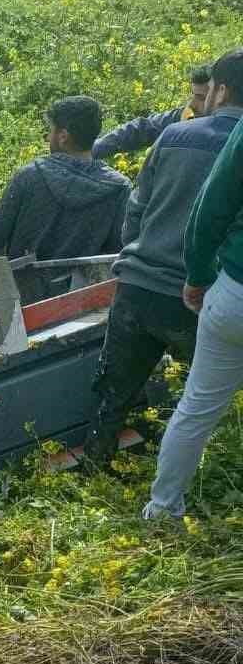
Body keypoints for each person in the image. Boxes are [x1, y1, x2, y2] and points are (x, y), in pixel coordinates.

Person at [85, 49, 243, 466]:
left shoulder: (173, 135)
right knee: (199, 403)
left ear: (220, 90)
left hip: (138, 286)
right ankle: (189, 478)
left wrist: (137, 257)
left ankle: (96, 467)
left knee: (112, 396)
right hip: (200, 295)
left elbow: (136, 208)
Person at [142, 65, 243, 520]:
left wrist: (199, 275)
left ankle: (162, 509)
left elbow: (211, 207)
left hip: (234, 293)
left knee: (197, 407)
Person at [0, 96, 130, 302]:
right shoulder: (119, 188)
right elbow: (117, 253)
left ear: (63, 136)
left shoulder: (30, 176)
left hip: (23, 300)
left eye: (51, 131)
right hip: (82, 302)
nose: (48, 137)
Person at [92, 64, 213, 160]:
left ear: (219, 96)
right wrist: (94, 148)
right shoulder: (185, 116)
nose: (191, 104)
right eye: (192, 95)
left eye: (201, 98)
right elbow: (143, 128)